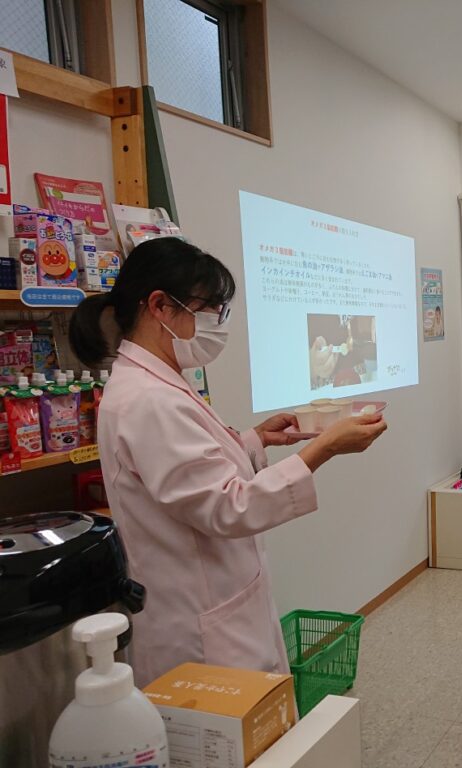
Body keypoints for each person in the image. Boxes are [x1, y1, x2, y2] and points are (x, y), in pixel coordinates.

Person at [68, 238, 388, 686]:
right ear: (159, 306)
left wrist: (254, 441)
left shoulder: (157, 382)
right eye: (209, 310)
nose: (217, 324)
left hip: (216, 603)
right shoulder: (147, 399)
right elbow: (227, 506)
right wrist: (325, 448)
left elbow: (193, 473)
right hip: (197, 626)